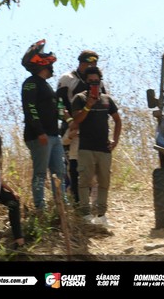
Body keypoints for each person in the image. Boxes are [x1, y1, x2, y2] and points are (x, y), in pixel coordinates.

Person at [72, 66, 122, 226]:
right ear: (85, 82)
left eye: (96, 81)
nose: (94, 83)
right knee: (84, 181)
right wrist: (88, 105)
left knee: (104, 181)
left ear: (100, 81)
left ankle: (101, 215)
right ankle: (85, 215)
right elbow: (76, 120)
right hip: (86, 147)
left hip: (104, 148)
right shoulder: (79, 98)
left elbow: (117, 120)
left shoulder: (107, 99)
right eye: (90, 81)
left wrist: (115, 140)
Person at [21, 39, 67, 210]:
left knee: (60, 171)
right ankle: (40, 207)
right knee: (40, 172)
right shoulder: (31, 83)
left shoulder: (47, 86)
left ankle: (61, 205)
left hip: (54, 135)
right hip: (39, 136)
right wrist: (40, 132)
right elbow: (30, 108)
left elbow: (58, 111)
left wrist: (67, 117)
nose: (52, 66)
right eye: (49, 64)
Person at [57, 50, 107, 203]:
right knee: (73, 167)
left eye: (95, 64)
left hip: (93, 130)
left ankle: (90, 204)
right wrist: (70, 122)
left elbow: (104, 103)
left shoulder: (98, 82)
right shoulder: (67, 79)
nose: (93, 66)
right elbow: (58, 104)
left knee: (93, 168)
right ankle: (75, 203)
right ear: (82, 63)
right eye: (90, 63)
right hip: (71, 128)